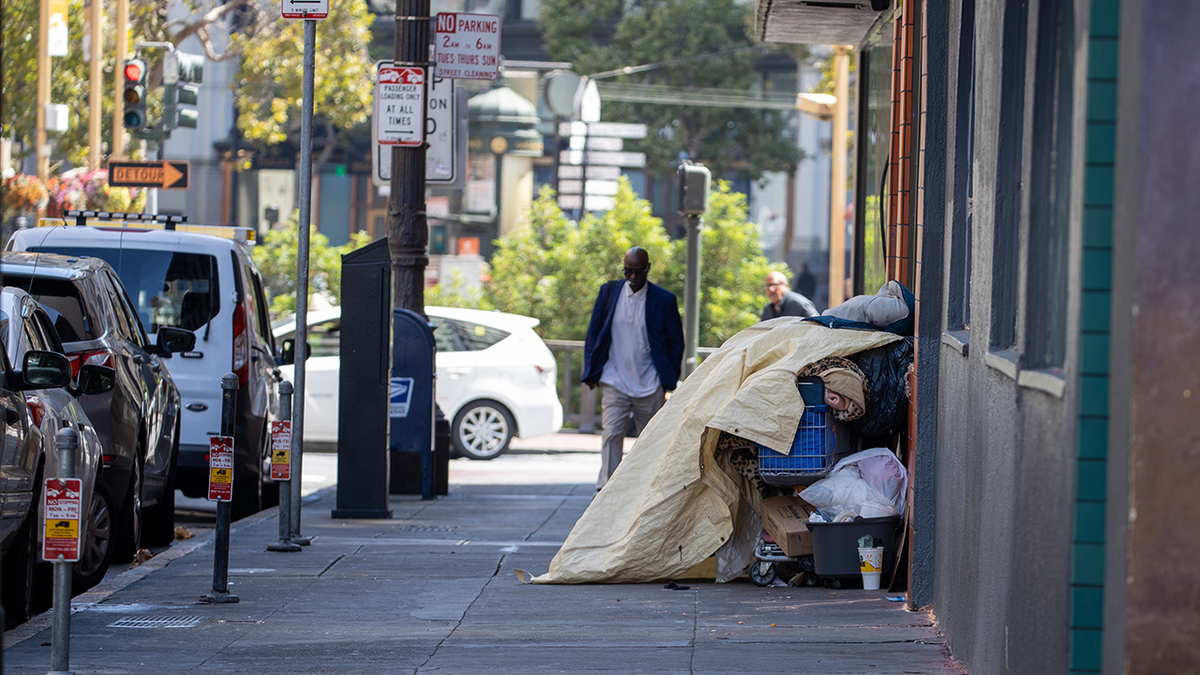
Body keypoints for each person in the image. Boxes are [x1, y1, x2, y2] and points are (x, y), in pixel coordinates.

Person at [582, 246, 685, 491]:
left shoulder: (664, 300)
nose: (632, 277)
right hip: (615, 378)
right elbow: (594, 334)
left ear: (647, 269)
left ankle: (646, 489)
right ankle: (607, 488)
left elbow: (676, 342)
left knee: (650, 440)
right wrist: (591, 371)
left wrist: (667, 380)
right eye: (627, 271)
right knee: (611, 434)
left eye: (638, 271)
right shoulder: (608, 292)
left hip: (650, 382)